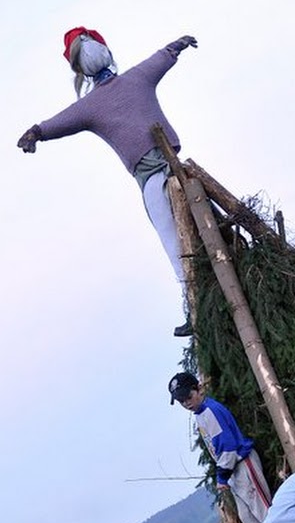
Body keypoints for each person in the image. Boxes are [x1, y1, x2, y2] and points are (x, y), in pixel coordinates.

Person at [16, 29, 198, 336]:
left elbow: (59, 120)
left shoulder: (93, 103)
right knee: (191, 227)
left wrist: (36, 131)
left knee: (173, 243)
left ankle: (195, 305)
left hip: (156, 178)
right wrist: (177, 45)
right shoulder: (134, 80)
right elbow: (160, 57)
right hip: (178, 168)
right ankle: (199, 299)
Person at [169, 372, 272, 523]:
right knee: (247, 517)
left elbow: (227, 448)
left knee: (264, 514)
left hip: (242, 465)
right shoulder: (200, 415)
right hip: (233, 472)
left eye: (188, 396)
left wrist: (222, 477)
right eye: (181, 401)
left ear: (199, 388)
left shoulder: (210, 411)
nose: (186, 403)